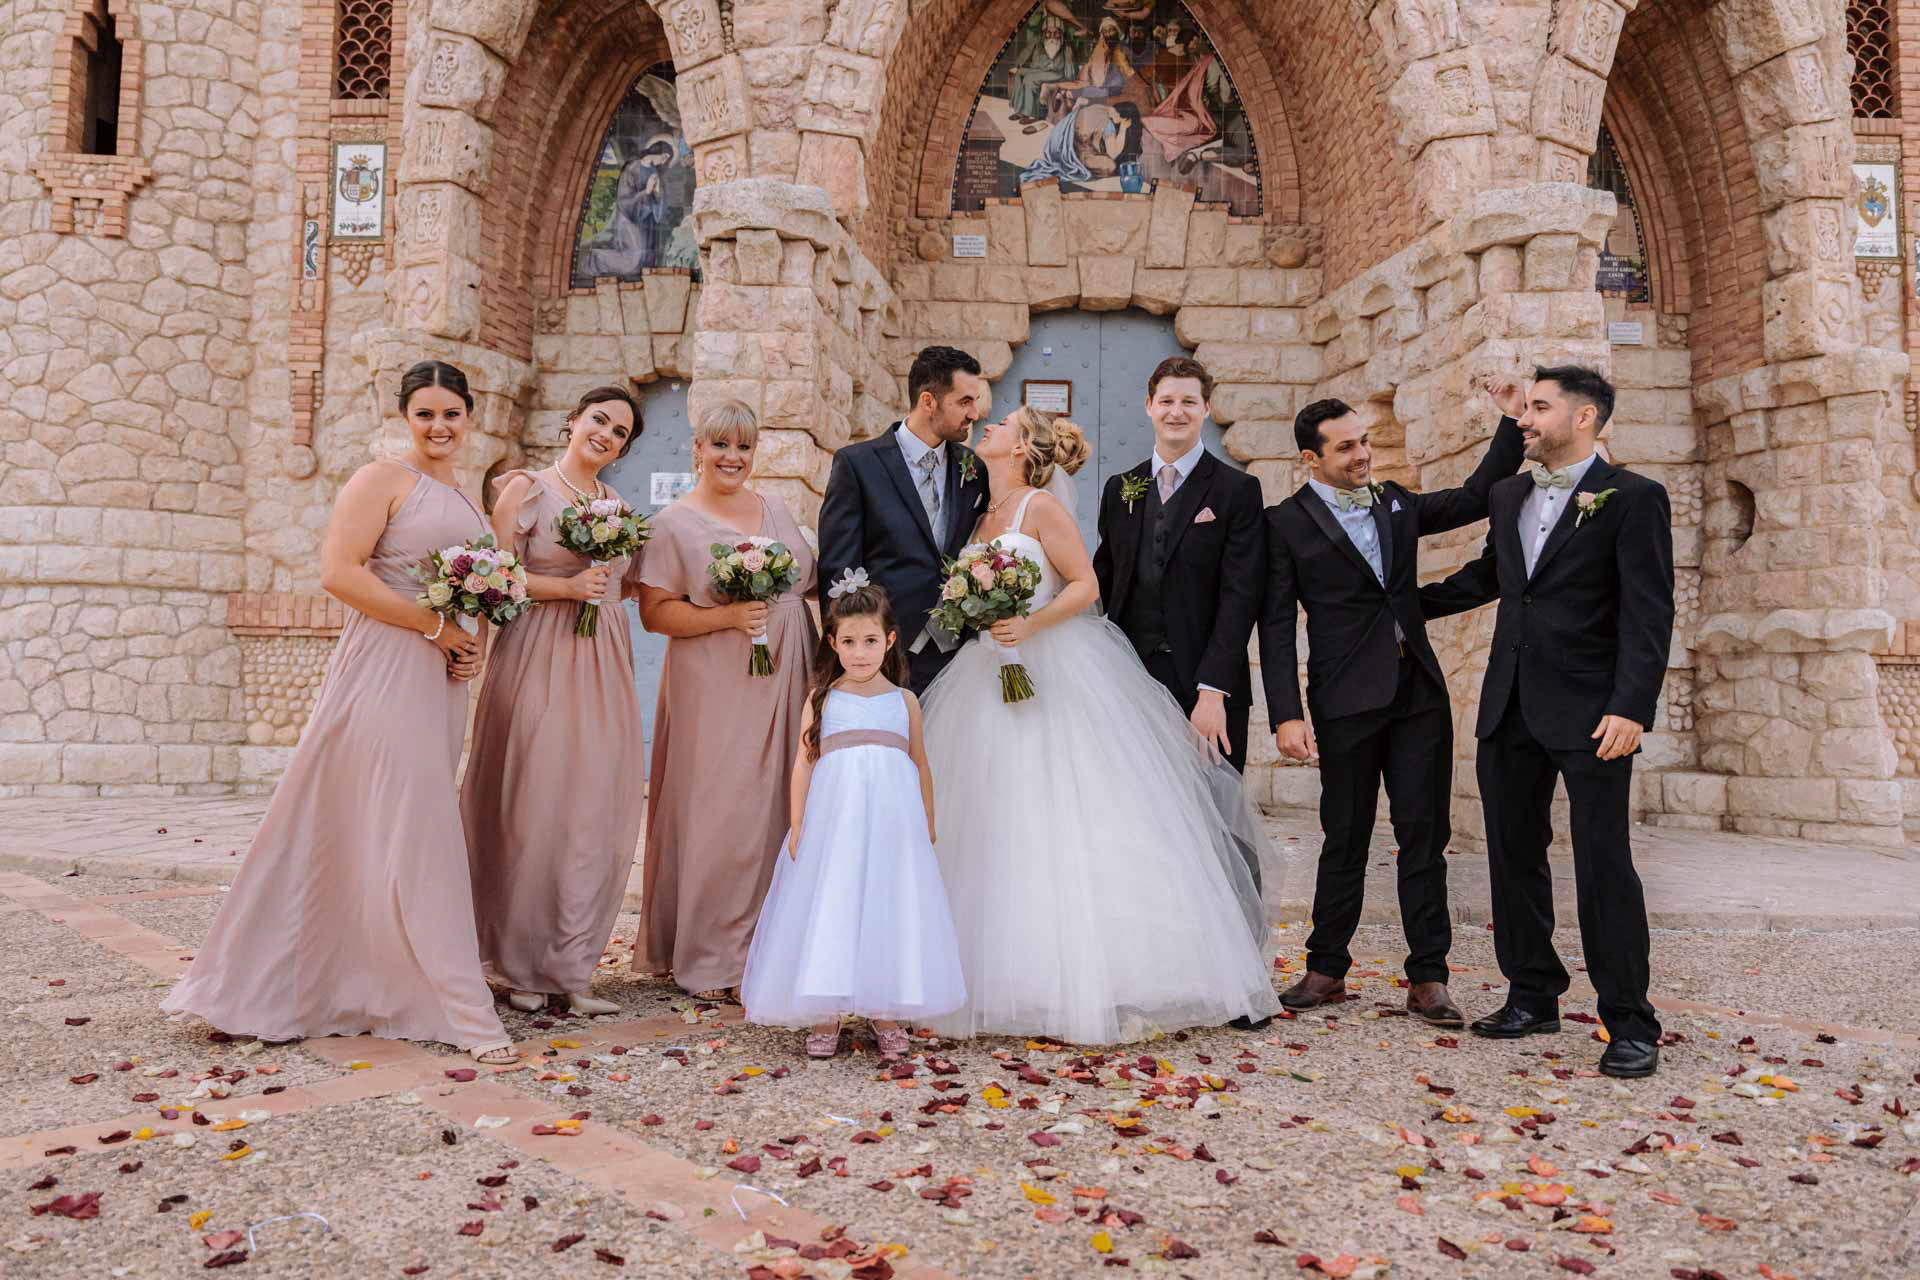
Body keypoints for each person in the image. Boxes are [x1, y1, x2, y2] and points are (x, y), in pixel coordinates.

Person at [161, 361, 516, 1064]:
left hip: (437, 677)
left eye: (451, 413)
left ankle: (371, 983)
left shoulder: (466, 496)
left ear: (470, 416)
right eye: (425, 414)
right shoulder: (380, 479)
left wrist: (465, 643)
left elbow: (466, 596)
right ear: (405, 418)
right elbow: (339, 573)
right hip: (383, 670)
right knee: (418, 825)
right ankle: (464, 1012)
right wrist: (434, 627)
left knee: (386, 824)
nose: (439, 426)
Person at [922, 405, 1281, 1045]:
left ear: (1022, 446)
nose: (987, 429)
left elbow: (1085, 585)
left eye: (1000, 424)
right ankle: (982, 971)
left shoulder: (1039, 508)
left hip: (1049, 668)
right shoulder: (982, 516)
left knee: (1064, 815)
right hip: (986, 672)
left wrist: (1026, 625)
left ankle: (1087, 977)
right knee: (989, 817)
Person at [1420, 365, 1674, 1079]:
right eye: (1524, 407)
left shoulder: (1633, 499)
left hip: (1595, 711)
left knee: (1603, 863)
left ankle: (1629, 1019)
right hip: (1510, 704)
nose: (1524, 420)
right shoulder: (1509, 494)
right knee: (1512, 855)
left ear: (1585, 417)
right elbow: (1490, 578)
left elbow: (1650, 614)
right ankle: (1532, 993)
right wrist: (1397, 607)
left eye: (1539, 408)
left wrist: (1631, 705)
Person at [1258, 384, 1525, 1028]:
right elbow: (1273, 623)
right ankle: (1326, 967)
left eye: (1364, 442)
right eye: (1346, 447)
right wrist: (1286, 714)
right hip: (1344, 699)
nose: (1362, 456)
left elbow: (1472, 496)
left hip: (1418, 697)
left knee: (1422, 837)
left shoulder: (1395, 501)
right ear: (1309, 458)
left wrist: (1513, 422)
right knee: (1344, 835)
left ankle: (1429, 977)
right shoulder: (1284, 523)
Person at [460, 386, 648, 1019]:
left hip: (601, 666)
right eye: (600, 420)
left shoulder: (617, 505)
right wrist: (563, 585)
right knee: (532, 804)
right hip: (537, 655)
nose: (607, 435)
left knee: (590, 809)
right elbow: (493, 576)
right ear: (573, 420)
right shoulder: (527, 490)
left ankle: (571, 967)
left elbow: (623, 589)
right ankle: (514, 965)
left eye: (621, 432)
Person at [636, 399, 817, 1003]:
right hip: (716, 679)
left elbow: (810, 581)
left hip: (787, 668)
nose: (732, 457)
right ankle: (714, 956)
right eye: (720, 445)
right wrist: (728, 615)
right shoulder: (673, 524)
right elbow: (655, 613)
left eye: (743, 446)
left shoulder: (777, 508)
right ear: (697, 449)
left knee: (777, 804)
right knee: (722, 808)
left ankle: (773, 946)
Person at [741, 576, 965, 1061]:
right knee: (835, 901)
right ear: (833, 643)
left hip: (891, 826)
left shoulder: (904, 702)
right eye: (849, 642)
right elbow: (804, 762)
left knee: (887, 903)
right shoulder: (823, 698)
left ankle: (885, 1007)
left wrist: (926, 821)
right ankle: (827, 1008)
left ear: (888, 642)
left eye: (870, 642)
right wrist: (799, 824)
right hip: (835, 825)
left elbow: (919, 762)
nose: (860, 653)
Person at [1093, 356, 1265, 774]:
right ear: (1148, 405)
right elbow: (1104, 581)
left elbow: (1241, 595)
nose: (1176, 412)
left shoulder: (1237, 490)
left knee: (1215, 819)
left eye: (1189, 402)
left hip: (1206, 685)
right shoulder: (1120, 489)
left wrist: (1213, 691)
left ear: (1206, 409)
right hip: (1133, 680)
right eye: (1166, 400)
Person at [816, 346, 990, 696]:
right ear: (928, 401)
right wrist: (855, 650)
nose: (974, 413)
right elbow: (838, 566)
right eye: (964, 402)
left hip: (958, 652)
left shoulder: (973, 470)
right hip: (886, 649)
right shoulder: (857, 464)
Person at [1007, 14, 1078, 124]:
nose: (1052, 36)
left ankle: (1031, 114)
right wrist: (1018, 65)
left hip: (1056, 74)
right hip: (1038, 70)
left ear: (1061, 33)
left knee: (1030, 80)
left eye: (1056, 33)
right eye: (1049, 32)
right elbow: (1026, 53)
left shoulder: (1066, 46)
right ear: (1044, 32)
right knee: (1019, 74)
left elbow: (1070, 68)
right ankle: (1020, 110)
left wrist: (1069, 81)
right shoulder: (1037, 40)